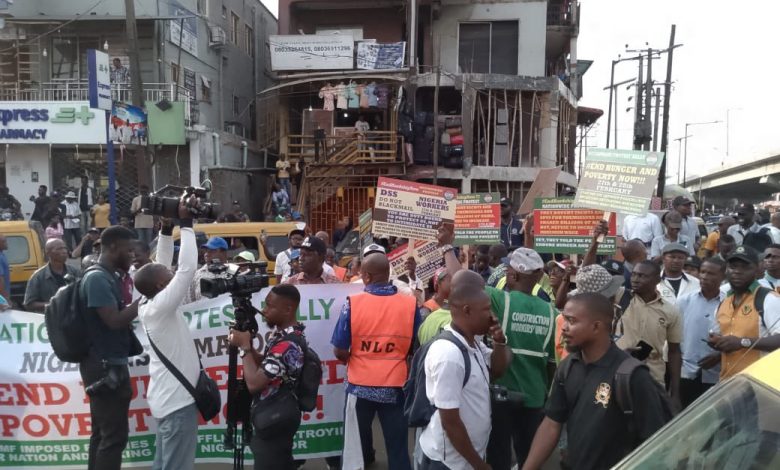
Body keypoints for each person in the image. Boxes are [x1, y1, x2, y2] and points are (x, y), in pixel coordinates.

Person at [438, 224, 555, 470]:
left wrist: (447, 246)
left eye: (508, 270)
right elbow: (552, 364)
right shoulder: (551, 312)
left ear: (512, 276)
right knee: (529, 458)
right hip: (535, 397)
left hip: (502, 397)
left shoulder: (501, 299)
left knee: (499, 456)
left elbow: (461, 282)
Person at [521, 294, 670, 470]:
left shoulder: (632, 375)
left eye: (572, 321)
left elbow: (656, 443)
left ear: (596, 326)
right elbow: (552, 423)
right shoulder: (569, 366)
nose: (564, 328)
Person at [331, 253, 421, 470]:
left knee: (354, 446)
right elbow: (415, 346)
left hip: (358, 385)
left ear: (367, 277)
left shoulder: (353, 303)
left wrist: (356, 359)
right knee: (398, 447)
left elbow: (340, 349)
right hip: (395, 385)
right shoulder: (410, 305)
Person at [419, 270, 512, 470]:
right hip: (449, 462)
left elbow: (498, 370)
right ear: (467, 310)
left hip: (466, 458)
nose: (492, 316)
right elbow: (450, 422)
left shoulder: (473, 343)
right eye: (487, 309)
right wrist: (479, 465)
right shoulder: (449, 355)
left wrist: (499, 342)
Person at [133, 199, 199, 470]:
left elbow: (160, 266)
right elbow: (187, 270)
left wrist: (165, 230)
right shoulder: (160, 306)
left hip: (167, 402)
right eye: (167, 276)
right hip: (177, 406)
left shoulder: (148, 301)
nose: (172, 274)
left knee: (163, 464)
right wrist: (186, 225)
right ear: (162, 285)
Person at [79, 225, 141, 470]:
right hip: (105, 368)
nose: (132, 254)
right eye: (129, 249)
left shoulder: (107, 276)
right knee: (113, 438)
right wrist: (144, 300)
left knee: (103, 434)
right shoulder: (97, 278)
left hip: (108, 364)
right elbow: (113, 321)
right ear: (113, 247)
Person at [228, 285, 308, 469]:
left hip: (277, 417)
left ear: (288, 309)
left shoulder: (288, 344)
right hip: (274, 413)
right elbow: (268, 363)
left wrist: (245, 347)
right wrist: (248, 349)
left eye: (270, 306)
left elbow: (255, 384)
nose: (264, 311)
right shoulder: (282, 335)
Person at [615, 261, 682, 408]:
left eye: (642, 276)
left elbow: (674, 352)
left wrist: (675, 394)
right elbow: (588, 285)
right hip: (617, 372)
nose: (635, 279)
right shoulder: (619, 297)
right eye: (634, 274)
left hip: (653, 378)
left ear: (657, 280)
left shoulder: (670, 311)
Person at [709, 245, 780, 380]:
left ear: (757, 270)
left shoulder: (768, 299)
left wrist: (742, 342)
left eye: (745, 267)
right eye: (733, 267)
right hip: (729, 383)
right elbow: (729, 339)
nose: (737, 271)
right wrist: (719, 346)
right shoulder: (724, 303)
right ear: (726, 270)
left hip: (759, 384)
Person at [676, 257, 725, 408]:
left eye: (711, 273)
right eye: (702, 272)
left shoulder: (728, 303)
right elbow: (674, 336)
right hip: (687, 372)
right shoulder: (684, 301)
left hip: (716, 373)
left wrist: (720, 355)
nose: (704, 277)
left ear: (722, 277)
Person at [23, 239, 80, 313]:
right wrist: (54, 304)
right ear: (48, 253)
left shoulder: (75, 272)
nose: (64, 251)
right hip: (51, 320)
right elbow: (28, 304)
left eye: (65, 248)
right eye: (59, 249)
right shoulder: (38, 277)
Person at [184, 237, 229, 304]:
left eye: (212, 251)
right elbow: (188, 302)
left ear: (224, 253)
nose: (207, 254)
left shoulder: (233, 272)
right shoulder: (197, 275)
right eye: (206, 250)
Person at [0, 235, 8, 305]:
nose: (6, 243)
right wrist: (4, 299)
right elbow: (0, 279)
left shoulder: (2, 254)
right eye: (4, 242)